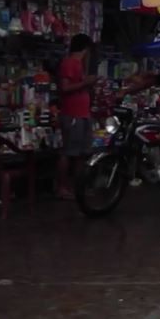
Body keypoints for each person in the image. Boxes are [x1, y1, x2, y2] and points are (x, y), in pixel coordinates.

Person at [56, 34, 98, 200]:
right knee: (68, 152)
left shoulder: (80, 65)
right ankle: (62, 187)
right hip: (72, 114)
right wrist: (86, 83)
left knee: (82, 153)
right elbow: (65, 88)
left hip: (83, 114)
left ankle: (77, 186)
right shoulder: (69, 63)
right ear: (85, 49)